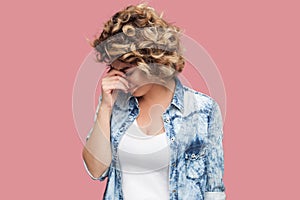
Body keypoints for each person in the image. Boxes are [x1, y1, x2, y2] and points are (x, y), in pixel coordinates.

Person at [82, 3, 226, 200]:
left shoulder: (204, 111)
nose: (120, 79)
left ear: (154, 61)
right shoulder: (114, 102)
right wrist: (105, 106)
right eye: (114, 70)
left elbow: (214, 189)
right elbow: (96, 170)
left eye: (127, 71)